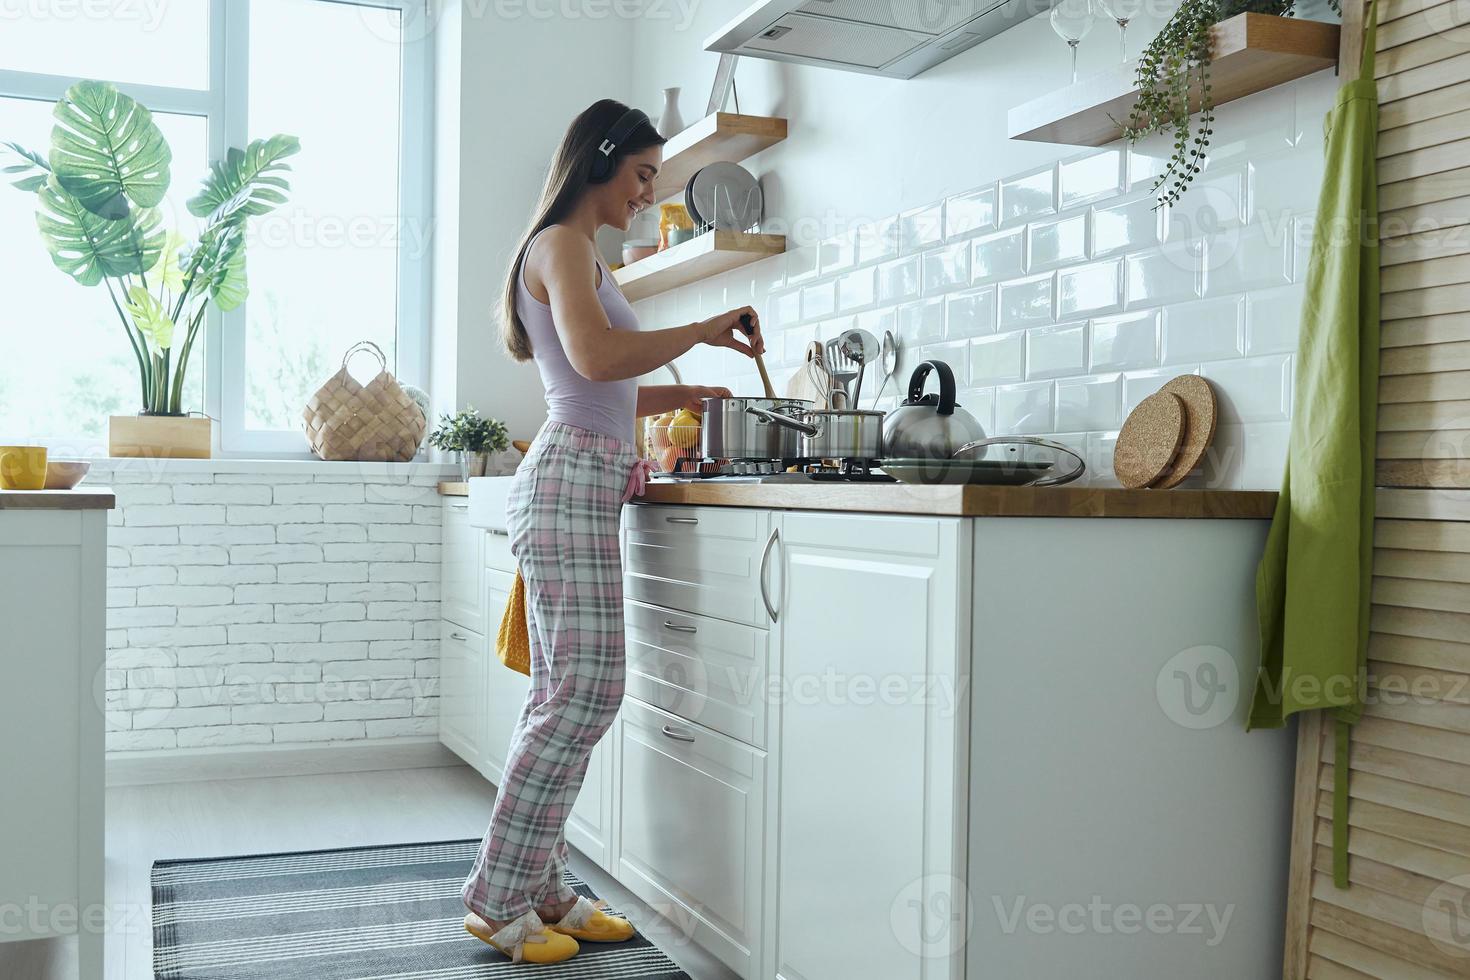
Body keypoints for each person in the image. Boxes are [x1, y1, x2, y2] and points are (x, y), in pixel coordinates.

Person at [459, 98, 766, 965]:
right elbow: (594, 365)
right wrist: (704, 329)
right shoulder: (559, 244)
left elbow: (603, 385)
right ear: (599, 158)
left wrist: (696, 396)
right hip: (567, 481)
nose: (644, 194)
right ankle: (495, 894)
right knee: (585, 693)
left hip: (583, 476)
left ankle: (545, 886)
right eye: (640, 175)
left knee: (564, 695)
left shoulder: (583, 258)